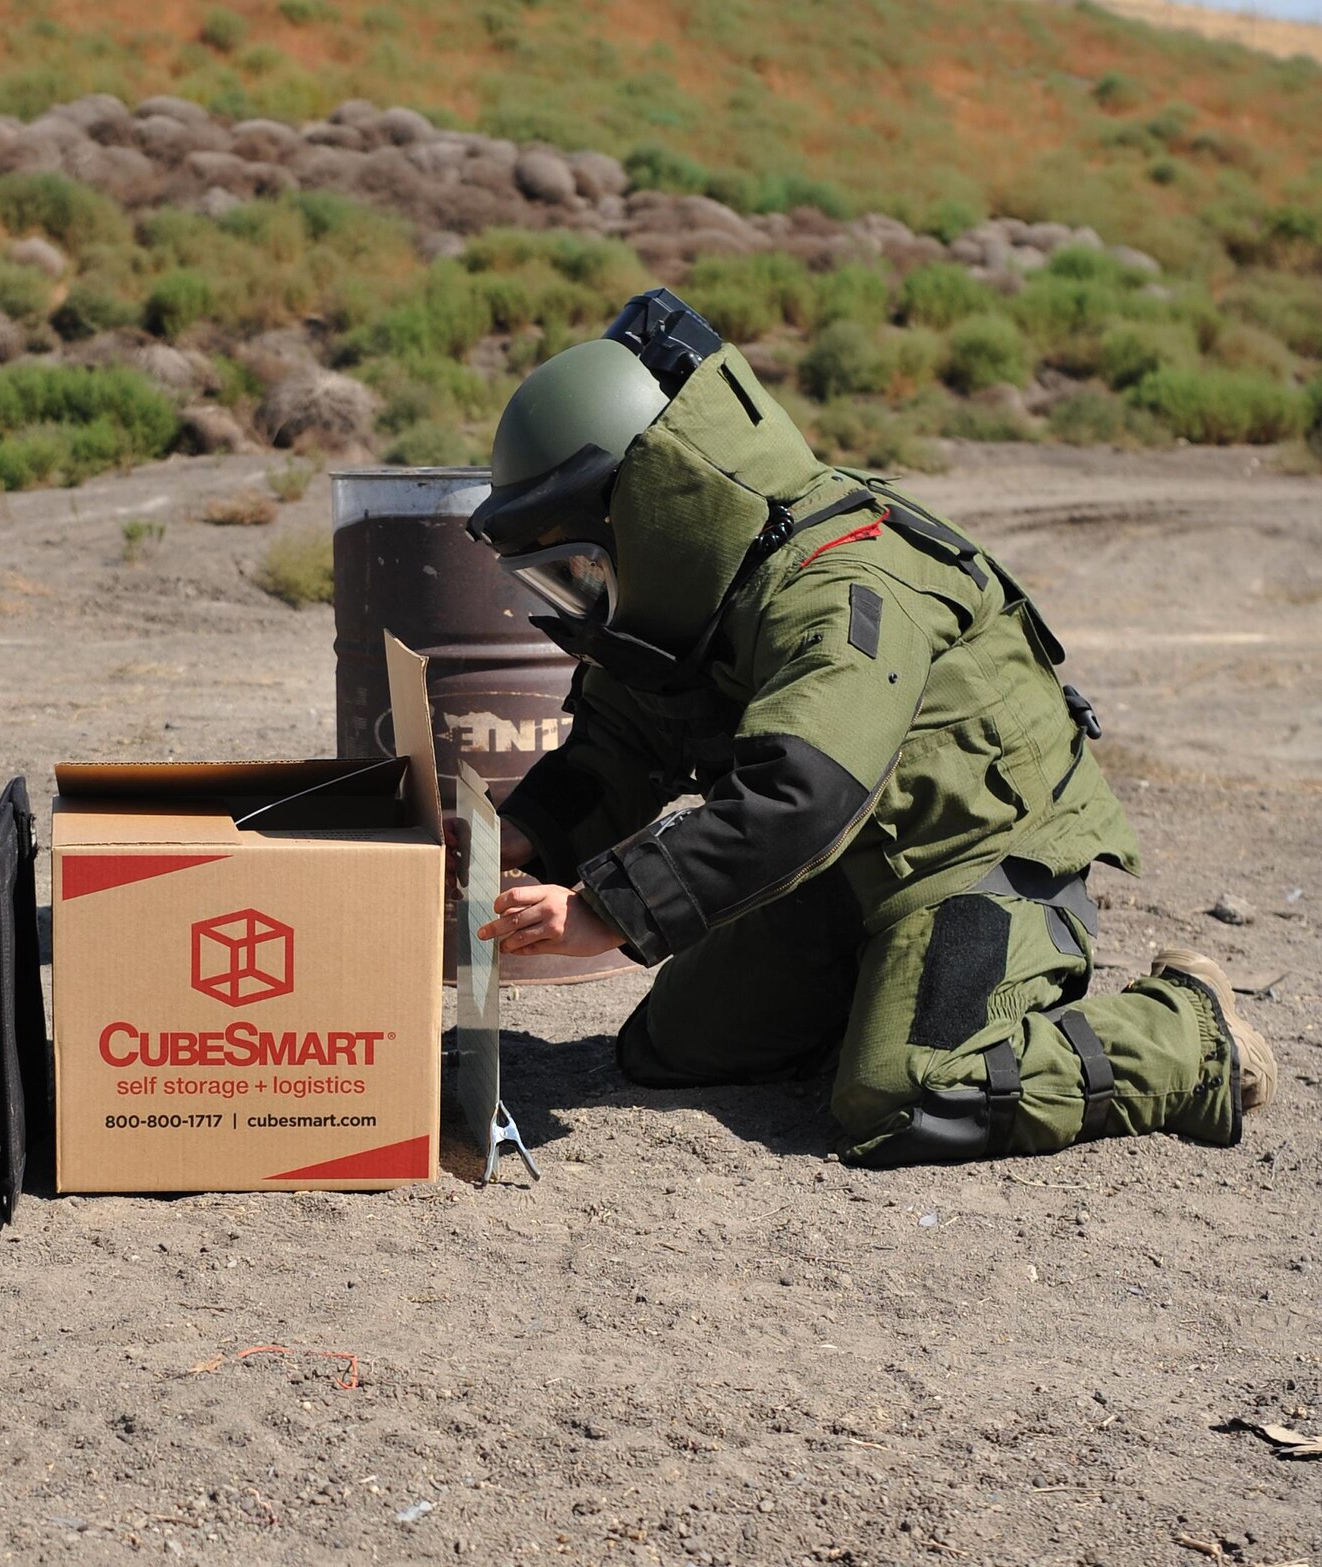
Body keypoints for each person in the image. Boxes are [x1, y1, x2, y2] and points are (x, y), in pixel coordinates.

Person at [463, 288, 1275, 1166]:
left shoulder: (837, 582)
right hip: (852, 865)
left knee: (907, 1094)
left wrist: (604, 909)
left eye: (581, 562)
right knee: (670, 1051)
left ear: (657, 505)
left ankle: (1188, 1030)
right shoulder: (703, 590)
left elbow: (803, 794)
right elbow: (623, 742)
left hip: (975, 860)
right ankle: (886, 994)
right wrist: (519, 838)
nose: (581, 593)